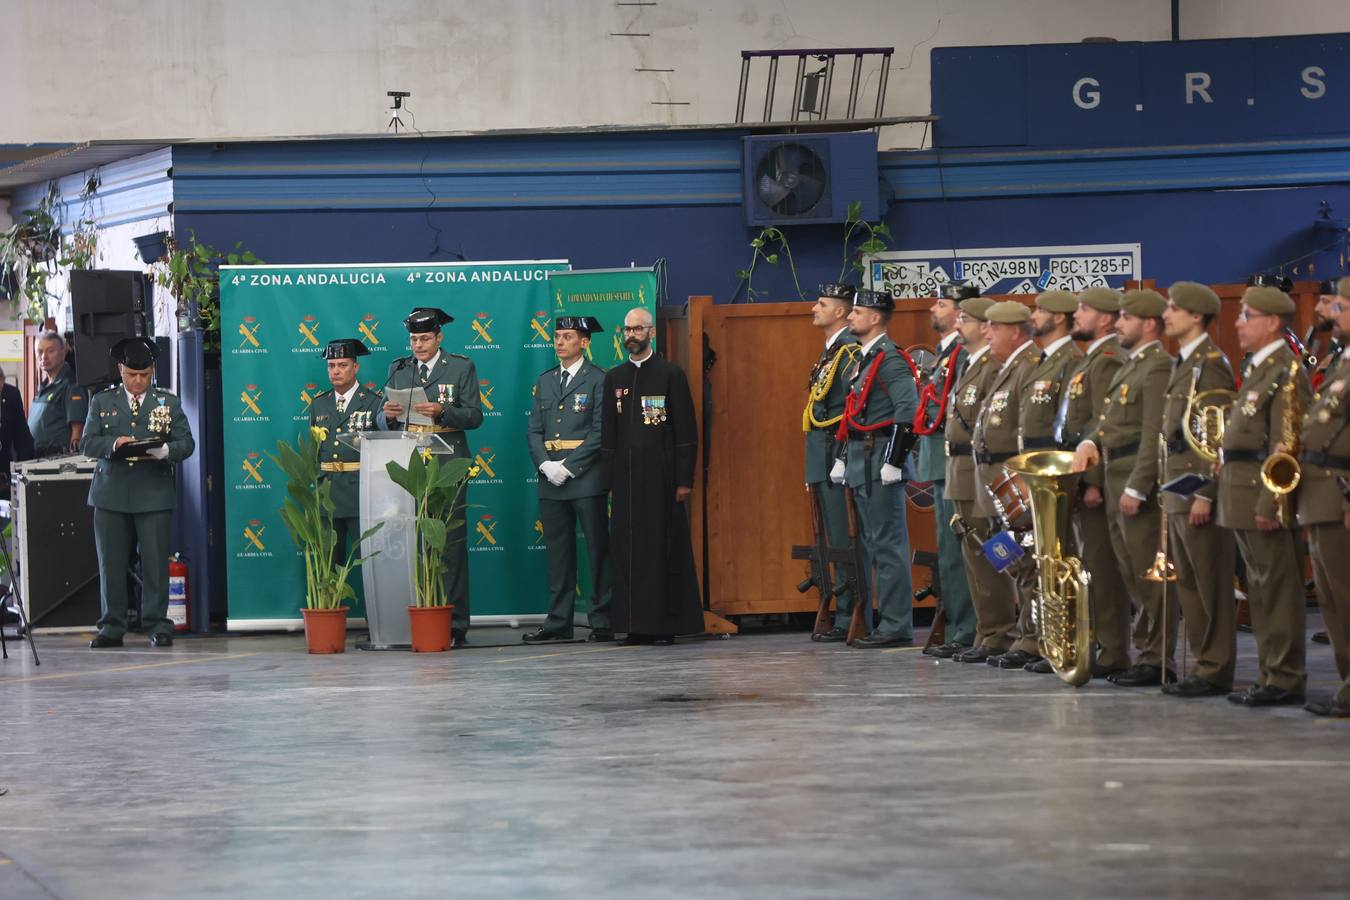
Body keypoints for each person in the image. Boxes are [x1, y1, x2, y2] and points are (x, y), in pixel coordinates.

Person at [1073, 289, 1176, 687]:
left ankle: (1156, 656)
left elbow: (1153, 433)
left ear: (1149, 324)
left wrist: (1139, 484)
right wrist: (1089, 442)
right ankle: (1143, 651)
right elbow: (1108, 422)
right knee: (1130, 573)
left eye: (1127, 319)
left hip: (1133, 476)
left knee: (1148, 572)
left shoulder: (1157, 366)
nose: (1118, 324)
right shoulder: (1129, 366)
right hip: (1115, 472)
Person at [1218, 284, 1311, 707]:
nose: (1238, 323)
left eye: (1246, 316)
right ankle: (1271, 673)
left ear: (1272, 322)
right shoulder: (1259, 368)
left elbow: (1286, 444)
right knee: (1259, 588)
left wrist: (1273, 503)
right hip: (1244, 491)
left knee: (1277, 588)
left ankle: (1285, 678)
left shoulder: (1286, 370)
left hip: (1265, 494)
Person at [80, 337, 195, 648]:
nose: (138, 381)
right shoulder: (102, 402)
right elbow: (87, 443)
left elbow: (187, 444)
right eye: (132, 375)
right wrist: (114, 444)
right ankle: (111, 626)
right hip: (111, 492)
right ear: (121, 370)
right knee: (111, 563)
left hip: (153, 492)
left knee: (156, 562)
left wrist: (166, 450)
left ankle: (158, 624)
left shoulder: (167, 404)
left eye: (144, 375)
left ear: (152, 371)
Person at [600, 306, 703, 645]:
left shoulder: (670, 374)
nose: (631, 335)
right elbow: (609, 435)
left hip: (661, 480)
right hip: (626, 482)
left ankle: (663, 626)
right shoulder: (614, 378)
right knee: (628, 553)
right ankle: (633, 625)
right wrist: (609, 482)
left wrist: (684, 480)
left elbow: (686, 431)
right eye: (627, 330)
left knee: (662, 549)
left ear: (651, 333)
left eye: (638, 330)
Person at [383, 307, 483, 648]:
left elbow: (474, 416)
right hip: (411, 462)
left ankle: (456, 623)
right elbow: (386, 422)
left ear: (439, 337)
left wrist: (443, 410)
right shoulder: (399, 369)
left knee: (450, 543)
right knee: (414, 542)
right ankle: (419, 614)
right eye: (413, 339)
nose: (418, 346)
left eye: (425, 339)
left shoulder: (460, 367)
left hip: (448, 460)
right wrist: (388, 416)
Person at [999, 290, 1085, 673]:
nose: (1034, 315)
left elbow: (1069, 420)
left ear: (1061, 318)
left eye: (1041, 311)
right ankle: (1023, 634)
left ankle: (1049, 639)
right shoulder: (1041, 361)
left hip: (1052, 474)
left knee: (1049, 560)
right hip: (1016, 471)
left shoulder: (1069, 361)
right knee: (1014, 554)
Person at [1159, 282, 1238, 698]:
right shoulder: (1182, 362)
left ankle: (1217, 666)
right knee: (1188, 580)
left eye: (1174, 308)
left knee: (1210, 581)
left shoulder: (1211, 364)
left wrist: (1208, 490)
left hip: (1196, 487)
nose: (1166, 314)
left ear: (1197, 317)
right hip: (1175, 485)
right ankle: (1203, 662)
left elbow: (1219, 435)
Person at [829, 288, 920, 648]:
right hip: (860, 460)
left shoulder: (891, 359)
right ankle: (882, 622)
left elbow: (908, 411)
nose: (850, 317)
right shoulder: (866, 358)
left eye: (857, 312)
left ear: (876, 318)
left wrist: (895, 461)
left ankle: (896, 625)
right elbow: (853, 411)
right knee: (871, 543)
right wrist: (841, 456)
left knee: (888, 544)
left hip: (880, 459)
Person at [524, 316, 612, 643]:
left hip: (585, 477)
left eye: (568, 337)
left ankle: (602, 619)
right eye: (558, 336)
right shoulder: (545, 380)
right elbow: (534, 429)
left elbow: (601, 431)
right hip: (550, 479)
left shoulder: (598, 379)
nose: (560, 342)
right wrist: (546, 465)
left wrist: (569, 466)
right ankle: (558, 622)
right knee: (558, 555)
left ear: (584, 342)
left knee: (596, 551)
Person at [1059, 287, 1130, 677]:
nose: (1077, 314)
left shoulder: (1107, 360)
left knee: (1103, 568)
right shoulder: (1088, 360)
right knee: (1092, 565)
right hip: (1079, 475)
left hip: (1094, 479)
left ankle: (1114, 649)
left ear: (1104, 318)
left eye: (1084, 309)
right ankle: (1104, 643)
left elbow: (1103, 425)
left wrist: (1094, 481)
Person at [963, 300, 1037, 662]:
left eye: (995, 328)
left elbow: (1028, 429)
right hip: (990, 477)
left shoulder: (1028, 366)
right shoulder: (1008, 366)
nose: (987, 334)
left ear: (1015, 331)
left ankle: (1031, 637)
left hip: (1011, 477)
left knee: (1025, 558)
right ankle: (1017, 634)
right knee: (1003, 554)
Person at [944, 298, 1016, 663]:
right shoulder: (970, 365)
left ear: (986, 326)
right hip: (961, 468)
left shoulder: (992, 367)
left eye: (966, 320)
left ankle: (1003, 630)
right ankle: (989, 630)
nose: (958, 325)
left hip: (981, 470)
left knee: (997, 550)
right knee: (974, 552)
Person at [1297, 275, 1350, 717]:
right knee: (1332, 600)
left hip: (1342, 491)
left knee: (1346, 595)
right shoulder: (1339, 362)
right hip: (1321, 490)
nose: (1332, 314)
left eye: (1340, 307)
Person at [916, 283, 975, 656]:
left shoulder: (963, 355)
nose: (933, 308)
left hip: (957, 460)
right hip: (939, 458)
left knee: (959, 550)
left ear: (961, 313)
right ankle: (957, 628)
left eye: (942, 303)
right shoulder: (943, 356)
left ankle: (966, 630)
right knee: (948, 550)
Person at [803, 283, 861, 642]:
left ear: (840, 311)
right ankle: (842, 607)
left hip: (834, 457)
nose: (814, 308)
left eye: (821, 303)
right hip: (820, 457)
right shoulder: (828, 354)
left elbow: (850, 411)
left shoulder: (849, 353)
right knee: (830, 539)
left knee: (843, 537)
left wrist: (840, 459)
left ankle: (850, 613)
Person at [310, 339, 386, 565]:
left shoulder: (374, 402)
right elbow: (314, 451)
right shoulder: (318, 404)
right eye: (331, 366)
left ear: (356, 367)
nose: (336, 371)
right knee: (328, 565)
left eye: (342, 365)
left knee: (369, 564)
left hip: (360, 492)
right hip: (327, 493)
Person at [28, 331, 87, 457]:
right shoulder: (43, 387)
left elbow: (77, 431)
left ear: (63, 353)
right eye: (39, 352)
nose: (44, 356)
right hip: (38, 459)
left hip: (58, 462)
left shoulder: (71, 385)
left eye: (50, 351)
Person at [0, 368, 35, 499]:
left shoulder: (11, 394)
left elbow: (22, 437)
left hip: (5, 474)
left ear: (3, 380)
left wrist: (25, 472)